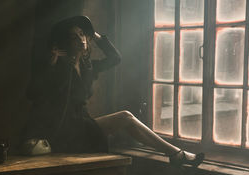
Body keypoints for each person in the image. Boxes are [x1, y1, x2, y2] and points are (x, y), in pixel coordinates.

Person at [23, 16, 204, 167]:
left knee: (126, 118)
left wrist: (93, 32)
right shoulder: (59, 68)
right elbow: (33, 93)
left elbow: (115, 58)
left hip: (82, 124)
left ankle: (176, 154)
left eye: (82, 34)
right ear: (64, 44)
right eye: (73, 37)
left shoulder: (88, 67)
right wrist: (52, 64)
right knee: (125, 117)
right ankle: (177, 154)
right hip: (63, 131)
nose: (81, 39)